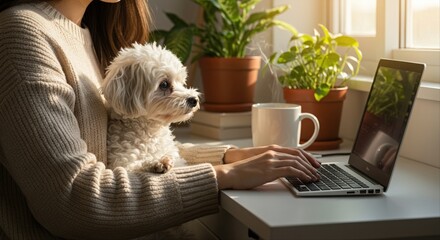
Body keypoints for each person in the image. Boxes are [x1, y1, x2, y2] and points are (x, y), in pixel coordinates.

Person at [0, 0, 321, 239]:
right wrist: (223, 175)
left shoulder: (87, 36)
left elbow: (120, 147)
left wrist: (227, 156)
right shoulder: (23, 34)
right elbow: (71, 201)